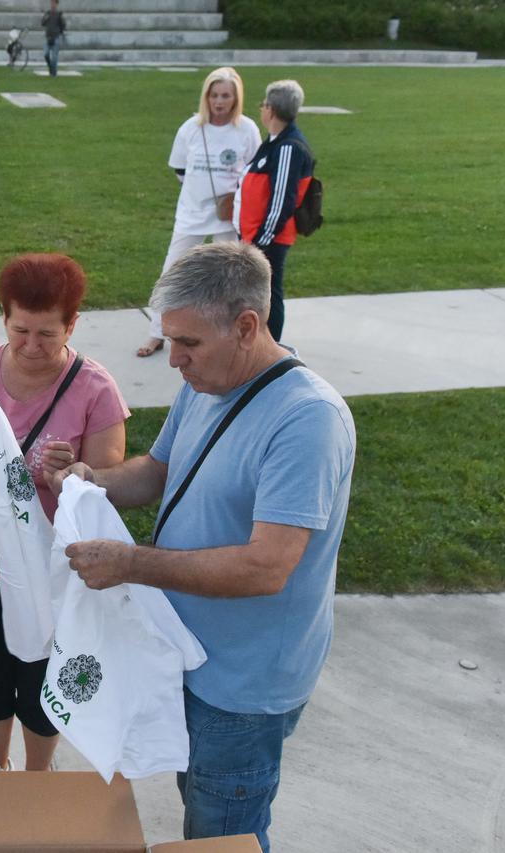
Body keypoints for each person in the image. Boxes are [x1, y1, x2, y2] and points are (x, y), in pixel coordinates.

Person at [59, 242, 355, 853]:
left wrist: (132, 565)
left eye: (188, 343)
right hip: (188, 655)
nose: (174, 360)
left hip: (243, 684)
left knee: (224, 836)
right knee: (201, 809)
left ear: (247, 326)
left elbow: (266, 567)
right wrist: (94, 481)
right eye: (170, 340)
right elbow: (160, 471)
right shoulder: (207, 382)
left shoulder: (308, 420)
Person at [0, 253, 130, 772]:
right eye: (20, 331)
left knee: (40, 686)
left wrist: (74, 473)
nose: (32, 347)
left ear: (72, 325)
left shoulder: (94, 389)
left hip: (54, 577)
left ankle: (37, 776)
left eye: (47, 334)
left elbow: (109, 488)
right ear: (3, 319)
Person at [139, 67, 261, 358]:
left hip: (227, 214)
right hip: (192, 211)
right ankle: (157, 331)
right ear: (206, 96)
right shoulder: (191, 128)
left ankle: (232, 331)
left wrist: (230, 195)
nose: (220, 102)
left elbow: (255, 170)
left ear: (236, 98)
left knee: (233, 274)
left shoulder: (246, 129)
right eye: (215, 95)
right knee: (172, 269)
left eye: (226, 96)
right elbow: (180, 168)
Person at [237, 79, 314, 343]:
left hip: (268, 239)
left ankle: (270, 347)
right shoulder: (273, 142)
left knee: (269, 293)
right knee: (258, 292)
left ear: (271, 109)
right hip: (254, 233)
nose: (261, 109)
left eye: (263, 104)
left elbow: (282, 199)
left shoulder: (288, 148)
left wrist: (261, 241)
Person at [41, 0, 66, 77]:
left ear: (57, 4)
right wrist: (45, 18)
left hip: (56, 38)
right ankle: (50, 67)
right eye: (51, 3)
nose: (52, 4)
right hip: (48, 38)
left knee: (54, 58)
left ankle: (53, 73)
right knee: (46, 54)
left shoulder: (59, 14)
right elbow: (42, 23)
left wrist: (60, 32)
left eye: (54, 3)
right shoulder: (47, 13)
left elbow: (63, 25)